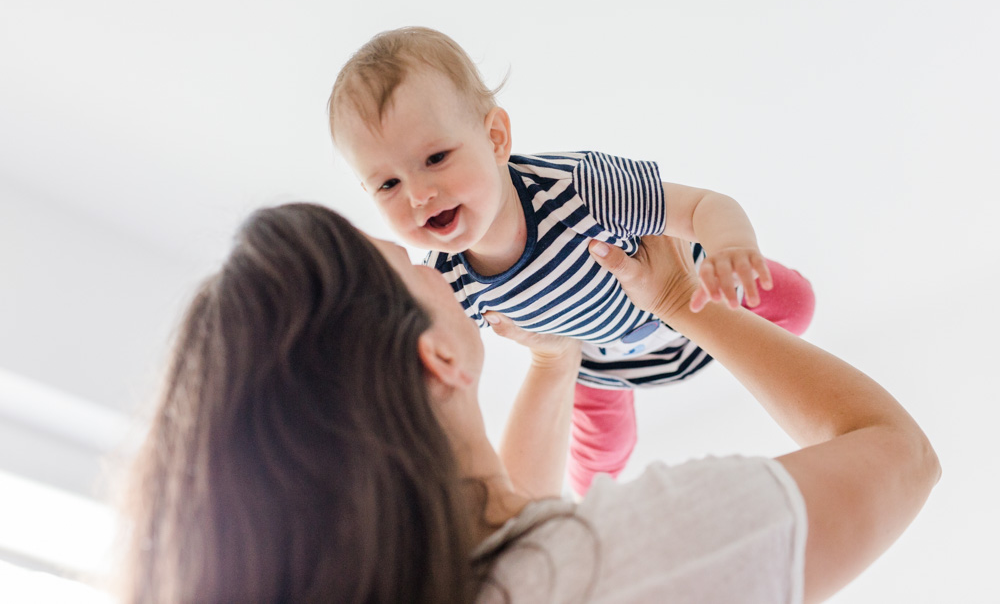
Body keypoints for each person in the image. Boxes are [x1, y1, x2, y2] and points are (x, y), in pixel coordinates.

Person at [120, 203, 939, 603]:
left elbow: (519, 520)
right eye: (408, 264)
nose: (433, 261)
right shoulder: (623, 556)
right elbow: (898, 455)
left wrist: (556, 362)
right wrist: (681, 302)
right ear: (437, 353)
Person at [327, 26, 816, 495]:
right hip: (596, 359)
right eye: (388, 184)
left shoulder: (579, 188)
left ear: (496, 138)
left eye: (436, 158)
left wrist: (729, 249)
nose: (418, 194)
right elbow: (427, 372)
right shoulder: (447, 284)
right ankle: (590, 517)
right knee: (598, 464)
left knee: (795, 303)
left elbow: (702, 207)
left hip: (692, 287)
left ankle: (783, 379)